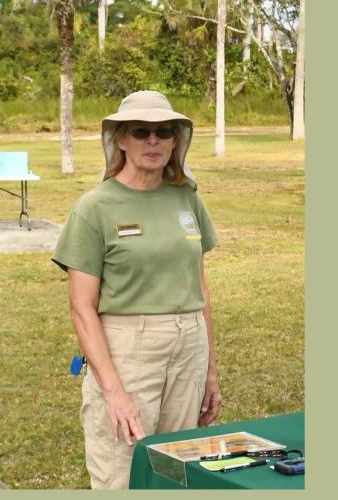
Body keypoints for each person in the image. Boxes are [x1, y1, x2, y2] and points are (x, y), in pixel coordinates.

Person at [51, 90, 221, 489]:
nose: (153, 141)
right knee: (121, 472)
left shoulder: (187, 198)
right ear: (120, 139)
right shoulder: (94, 207)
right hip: (127, 349)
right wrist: (113, 391)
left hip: (189, 344)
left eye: (164, 132)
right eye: (141, 131)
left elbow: (200, 285)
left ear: (176, 140)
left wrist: (210, 370)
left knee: (179, 469)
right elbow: (81, 308)